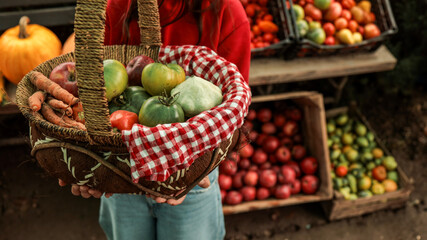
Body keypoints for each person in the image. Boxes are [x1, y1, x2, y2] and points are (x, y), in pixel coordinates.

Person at [60, 0, 251, 239]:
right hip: (122, 168)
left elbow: (233, 113)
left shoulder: (225, 11)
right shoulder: (115, 8)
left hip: (192, 172)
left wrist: (198, 170)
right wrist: (88, 162)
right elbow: (96, 93)